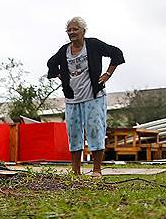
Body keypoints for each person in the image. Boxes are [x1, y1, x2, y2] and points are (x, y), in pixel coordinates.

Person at [47, 17, 125, 176]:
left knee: (95, 130)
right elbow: (51, 64)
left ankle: (96, 170)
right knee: (74, 133)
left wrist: (107, 74)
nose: (71, 32)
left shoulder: (93, 45)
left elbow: (116, 53)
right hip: (72, 98)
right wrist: (63, 77)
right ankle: (75, 172)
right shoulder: (64, 50)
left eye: (75, 29)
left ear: (83, 31)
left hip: (93, 96)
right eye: (69, 30)